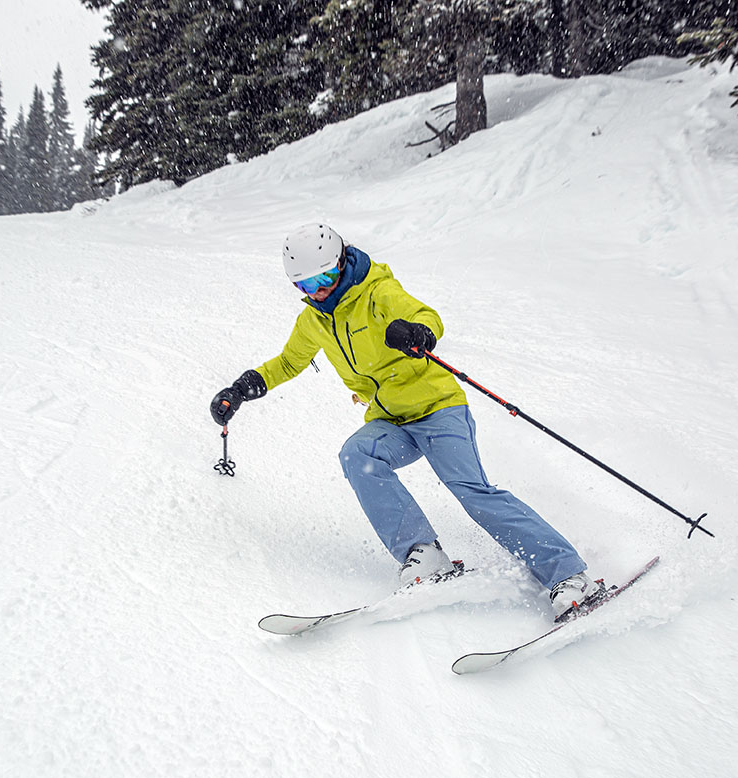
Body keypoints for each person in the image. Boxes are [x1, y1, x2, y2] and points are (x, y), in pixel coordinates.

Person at [210, 222, 601, 620]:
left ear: (341, 263)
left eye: (324, 278)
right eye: (306, 285)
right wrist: (241, 389)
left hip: (438, 409)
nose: (319, 291)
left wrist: (418, 332)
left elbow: (426, 316)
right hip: (391, 420)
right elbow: (288, 362)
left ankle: (568, 575)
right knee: (358, 455)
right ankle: (424, 553)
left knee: (471, 491)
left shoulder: (377, 292)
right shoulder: (313, 321)